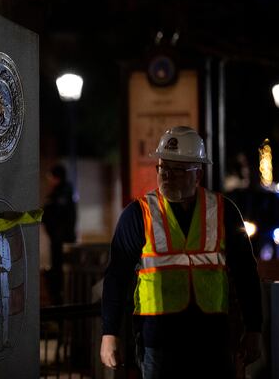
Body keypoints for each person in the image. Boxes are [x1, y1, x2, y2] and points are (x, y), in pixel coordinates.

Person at [100, 126, 262, 379]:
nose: (166, 176)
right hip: (159, 344)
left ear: (197, 174)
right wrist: (109, 334)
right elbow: (116, 277)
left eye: (176, 170)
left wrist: (254, 329)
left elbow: (246, 273)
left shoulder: (224, 211)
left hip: (213, 342)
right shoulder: (137, 214)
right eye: (162, 168)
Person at [42, 163, 77, 304]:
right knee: (58, 273)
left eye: (51, 177)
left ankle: (61, 302)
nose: (49, 181)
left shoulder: (62, 193)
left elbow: (56, 216)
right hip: (58, 241)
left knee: (60, 275)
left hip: (61, 242)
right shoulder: (61, 193)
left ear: (57, 178)